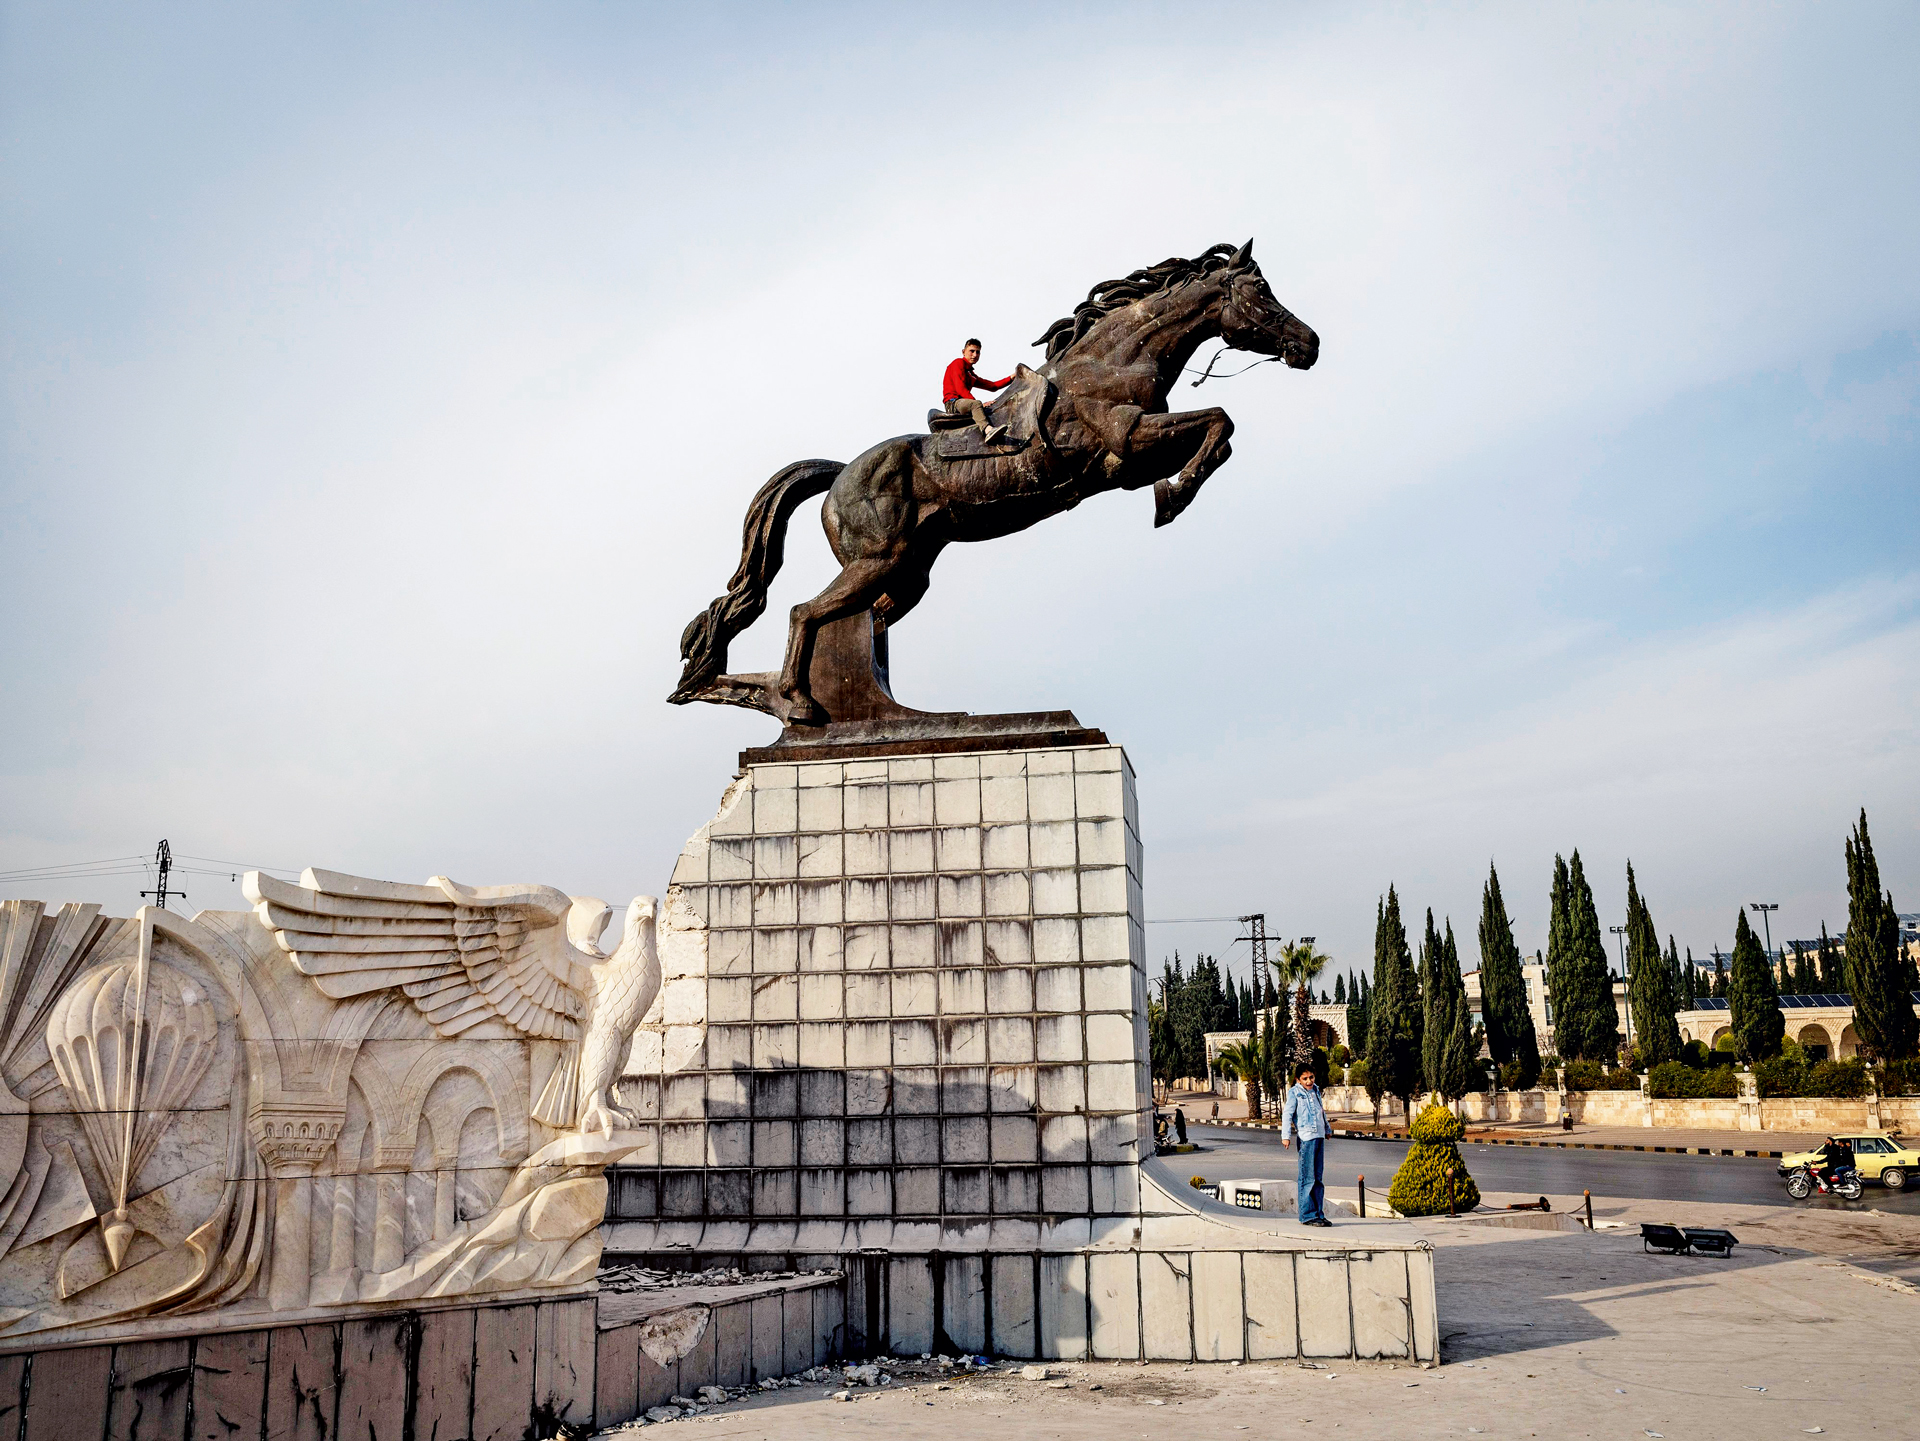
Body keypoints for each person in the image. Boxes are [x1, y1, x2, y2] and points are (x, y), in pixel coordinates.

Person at [1281, 1063, 1331, 1226]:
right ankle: (1307, 1215)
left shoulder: (1316, 1090)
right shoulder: (1295, 1093)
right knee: (1307, 1178)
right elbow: (1287, 1114)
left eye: (1311, 1077)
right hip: (1306, 1138)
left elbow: (1320, 1111)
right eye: (1305, 1078)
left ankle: (1318, 1213)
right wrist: (1286, 1136)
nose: (1309, 1081)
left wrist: (1328, 1129)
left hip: (1319, 1136)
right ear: (1298, 1079)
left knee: (1318, 1178)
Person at [942, 338, 1010, 444]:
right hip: (953, 403)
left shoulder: (970, 374)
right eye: (972, 351)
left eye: (978, 352)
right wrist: (979, 405)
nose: (975, 355)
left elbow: (992, 386)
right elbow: (960, 389)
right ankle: (988, 431)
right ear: (963, 352)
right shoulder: (958, 363)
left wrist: (1013, 377)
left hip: (963, 402)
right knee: (976, 404)